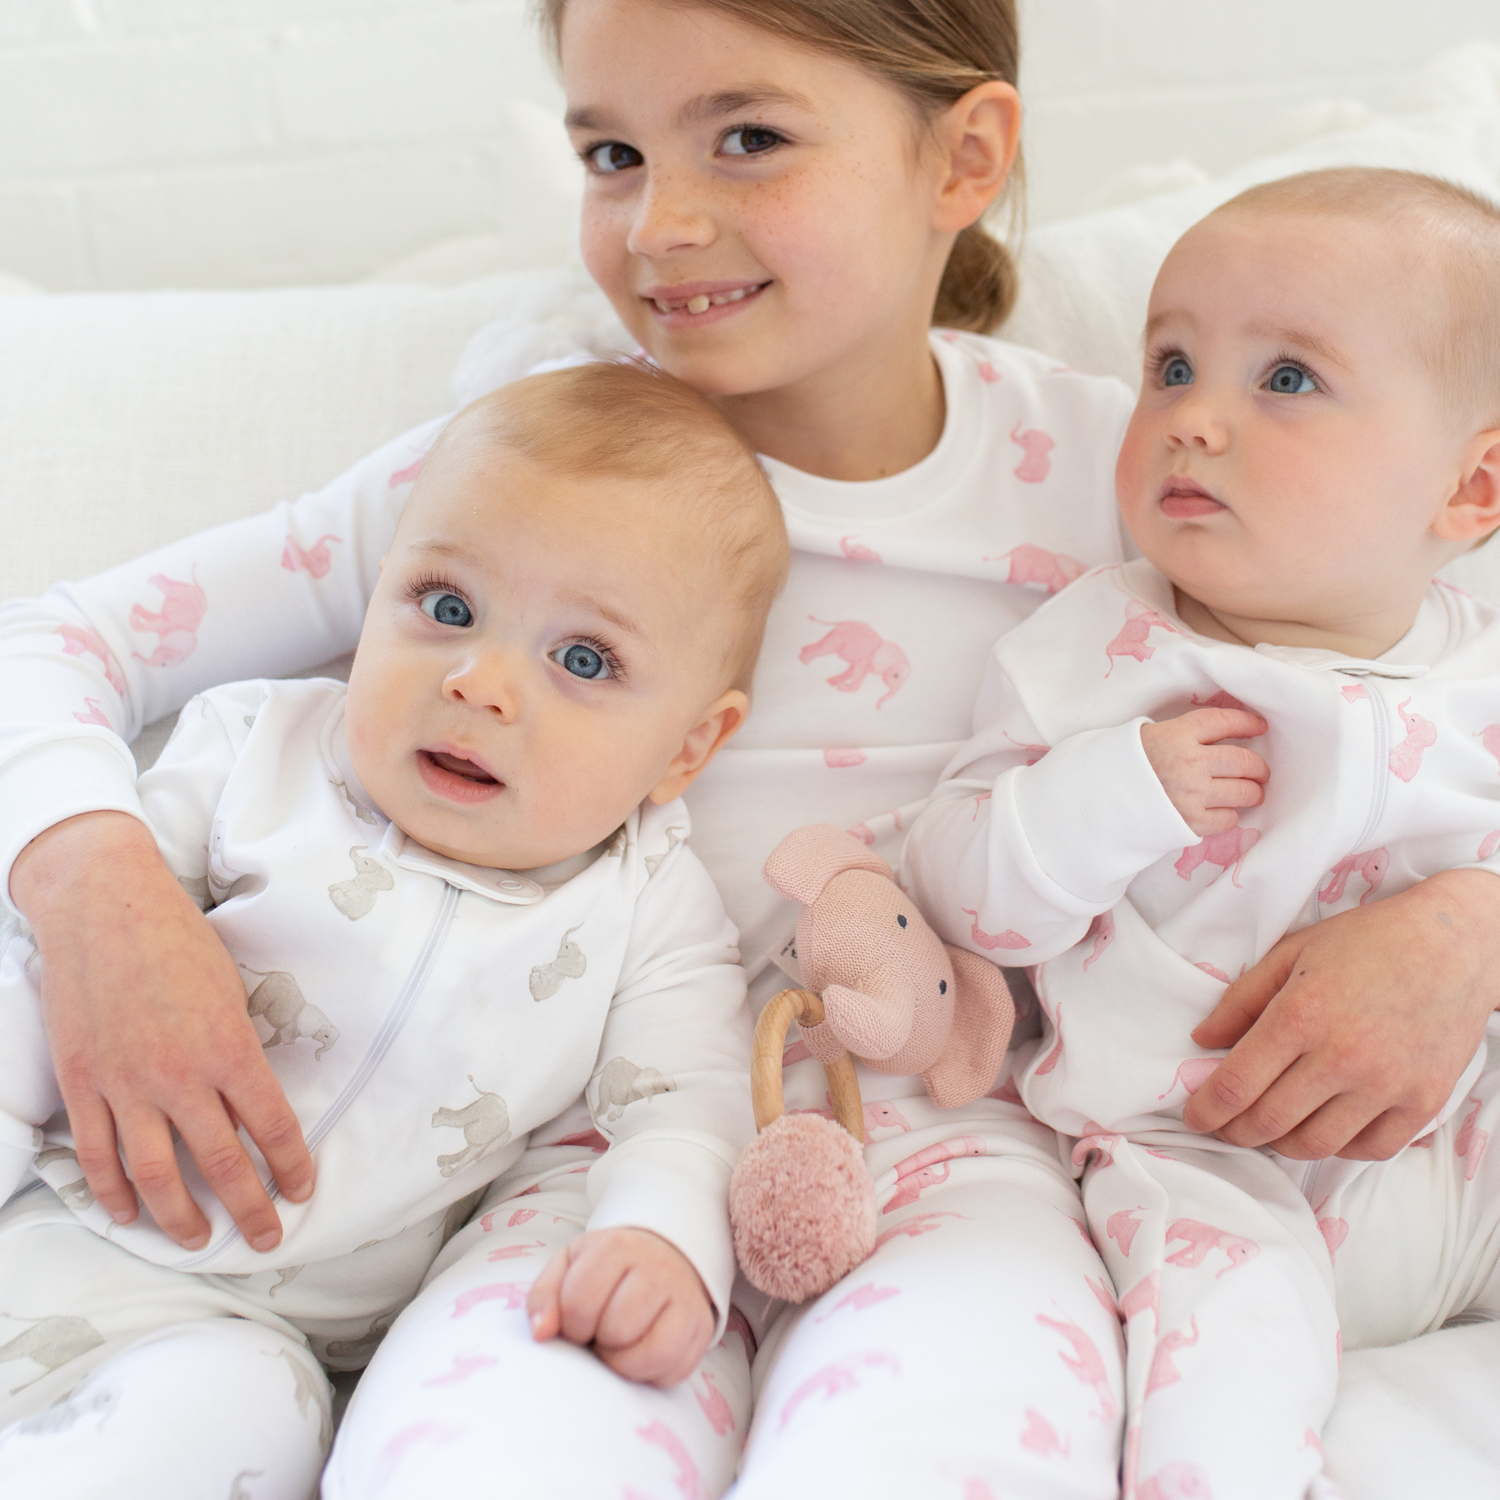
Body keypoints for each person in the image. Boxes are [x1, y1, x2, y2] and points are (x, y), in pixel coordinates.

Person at [0, 1, 1496, 1494]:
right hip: (594, 1158)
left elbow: (1418, 679)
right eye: (613, 154)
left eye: (750, 138)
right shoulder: (520, 470)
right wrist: (96, 893)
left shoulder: (1144, 465)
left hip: (958, 1156)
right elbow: (61, 640)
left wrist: (1466, 928)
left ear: (964, 158)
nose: (662, 222)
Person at [0, 361, 790, 1499]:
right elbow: (56, 974)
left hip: (250, 1342)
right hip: (60, 1231)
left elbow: (691, 1105)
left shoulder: (650, 908)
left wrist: (663, 1239)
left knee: (247, 1421)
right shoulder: (255, 749)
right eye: (447, 607)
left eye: (583, 660)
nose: (480, 682)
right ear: (373, 600)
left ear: (689, 748)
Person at [903, 168, 1500, 1499]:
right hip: (1207, 1152)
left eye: (1287, 380)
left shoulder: (1482, 664)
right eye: (1170, 366)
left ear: (1474, 487)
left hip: (1463, 1135)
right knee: (1225, 1368)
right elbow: (952, 886)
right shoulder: (1104, 651)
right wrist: (1109, 794)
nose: (1194, 419)